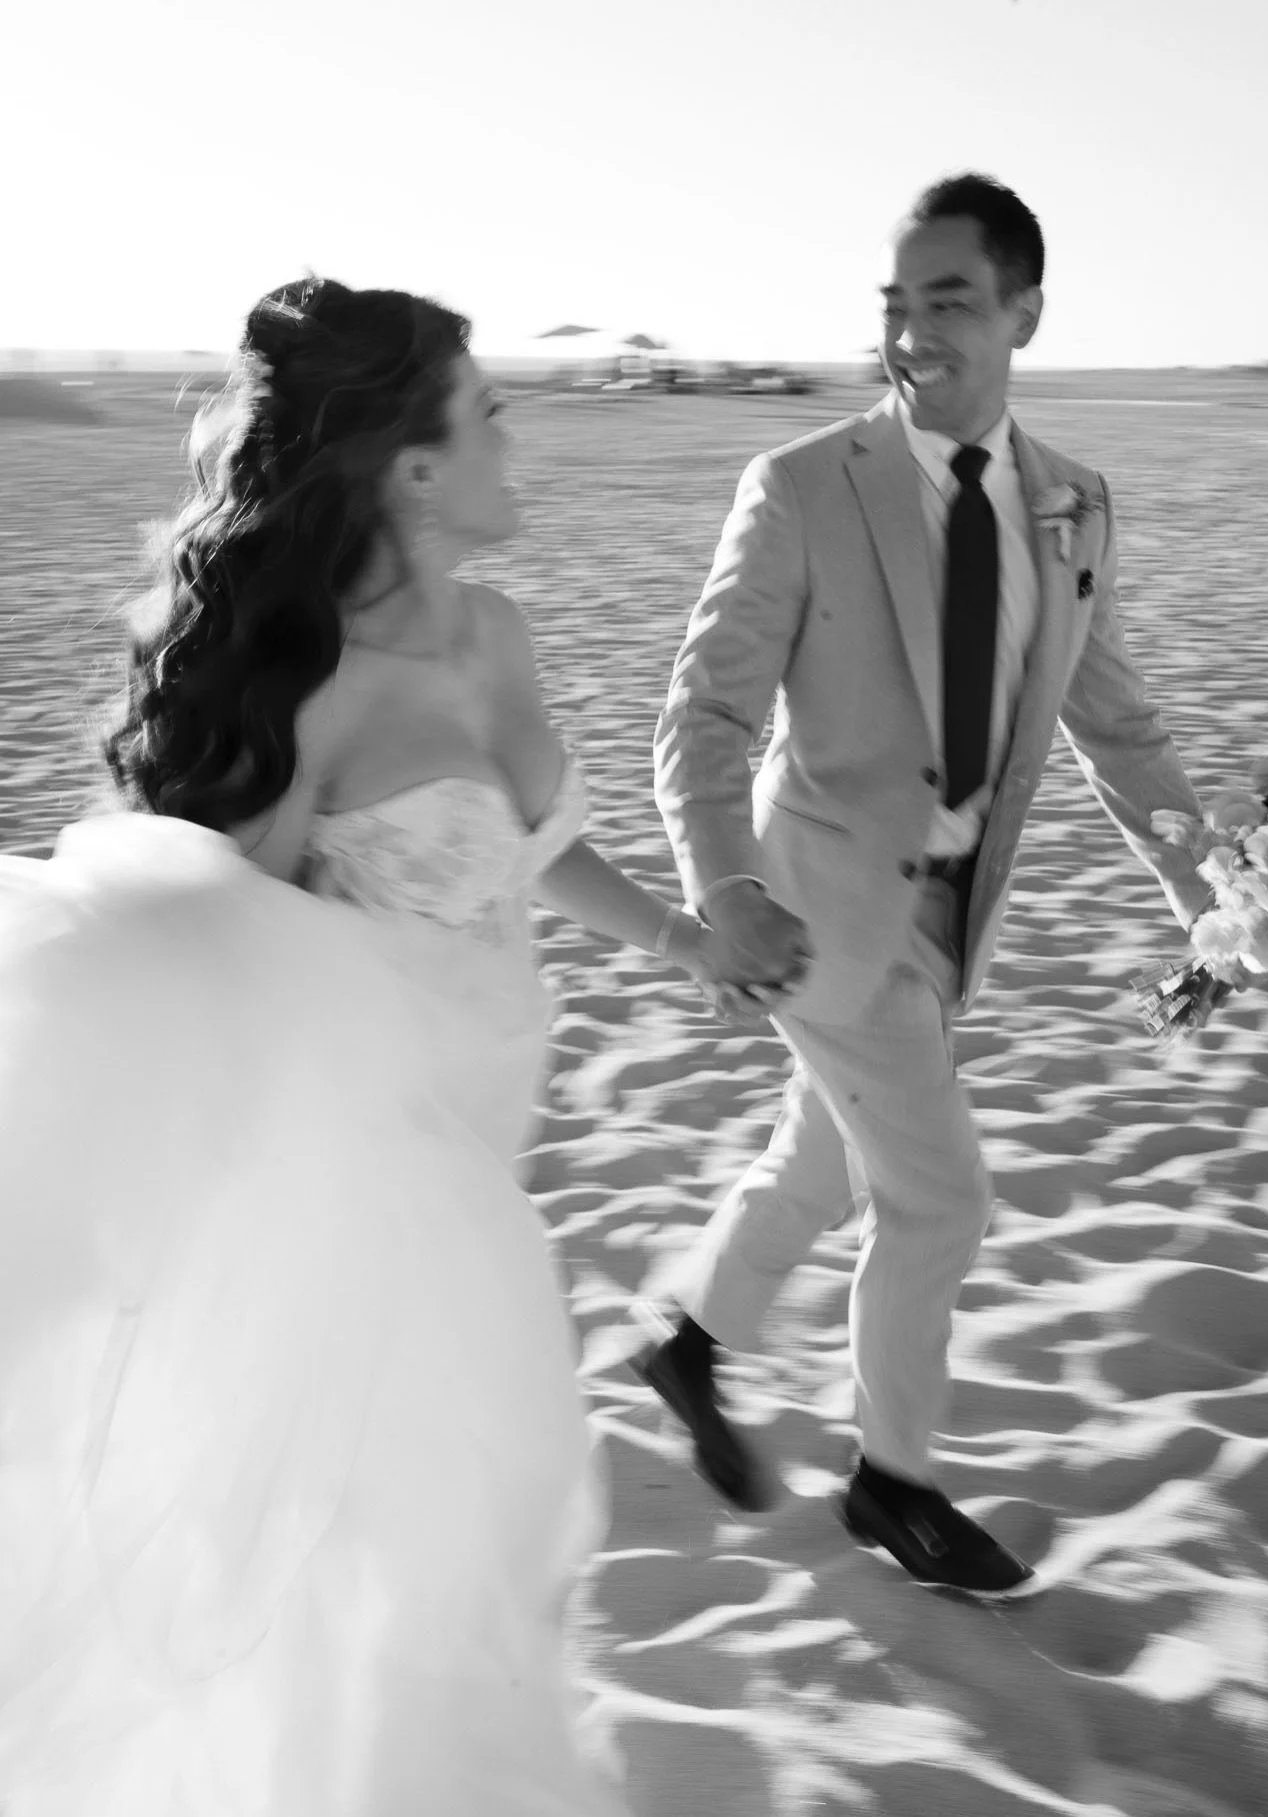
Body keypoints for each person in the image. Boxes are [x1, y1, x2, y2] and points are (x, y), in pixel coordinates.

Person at [0, 276, 740, 1815]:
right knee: (385, 1587)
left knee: (460, 1576)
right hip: (368, 1202)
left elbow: (529, 851)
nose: (510, 435)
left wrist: (684, 940)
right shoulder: (312, 689)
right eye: (486, 412)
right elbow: (212, 939)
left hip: (488, 1142)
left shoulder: (497, 635)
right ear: (412, 470)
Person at [635, 173, 1215, 1597]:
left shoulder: (1075, 507)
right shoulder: (798, 488)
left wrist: (1212, 893)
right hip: (811, 907)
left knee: (821, 1160)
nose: (910, 333)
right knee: (940, 1198)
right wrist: (726, 888)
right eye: (893, 305)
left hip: (950, 921)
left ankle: (688, 1343)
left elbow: (1114, 725)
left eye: (946, 300)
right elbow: (698, 724)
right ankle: (891, 1484)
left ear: (1023, 311)